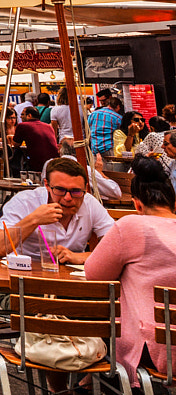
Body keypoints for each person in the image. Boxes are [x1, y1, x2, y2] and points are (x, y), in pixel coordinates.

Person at [83, 155, 176, 380]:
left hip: (156, 350)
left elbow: (94, 275)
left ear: (137, 204)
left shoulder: (132, 225)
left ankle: (80, 386)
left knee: (87, 328)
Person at [0, 155, 115, 267]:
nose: (68, 198)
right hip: (25, 280)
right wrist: (34, 220)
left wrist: (81, 257)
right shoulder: (24, 202)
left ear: (85, 188)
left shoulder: (89, 203)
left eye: (76, 191)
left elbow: (118, 247)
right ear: (47, 185)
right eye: (60, 190)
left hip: (71, 283)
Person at [13, 106, 61, 173]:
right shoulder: (48, 126)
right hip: (54, 161)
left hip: (38, 162)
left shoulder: (23, 125)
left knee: (17, 153)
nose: (20, 117)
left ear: (29, 116)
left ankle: (15, 174)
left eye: (22, 114)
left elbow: (16, 144)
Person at [87, 91, 122, 160]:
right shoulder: (118, 118)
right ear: (118, 106)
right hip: (109, 148)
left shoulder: (93, 114)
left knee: (97, 169)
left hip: (95, 149)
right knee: (111, 169)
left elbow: (88, 129)